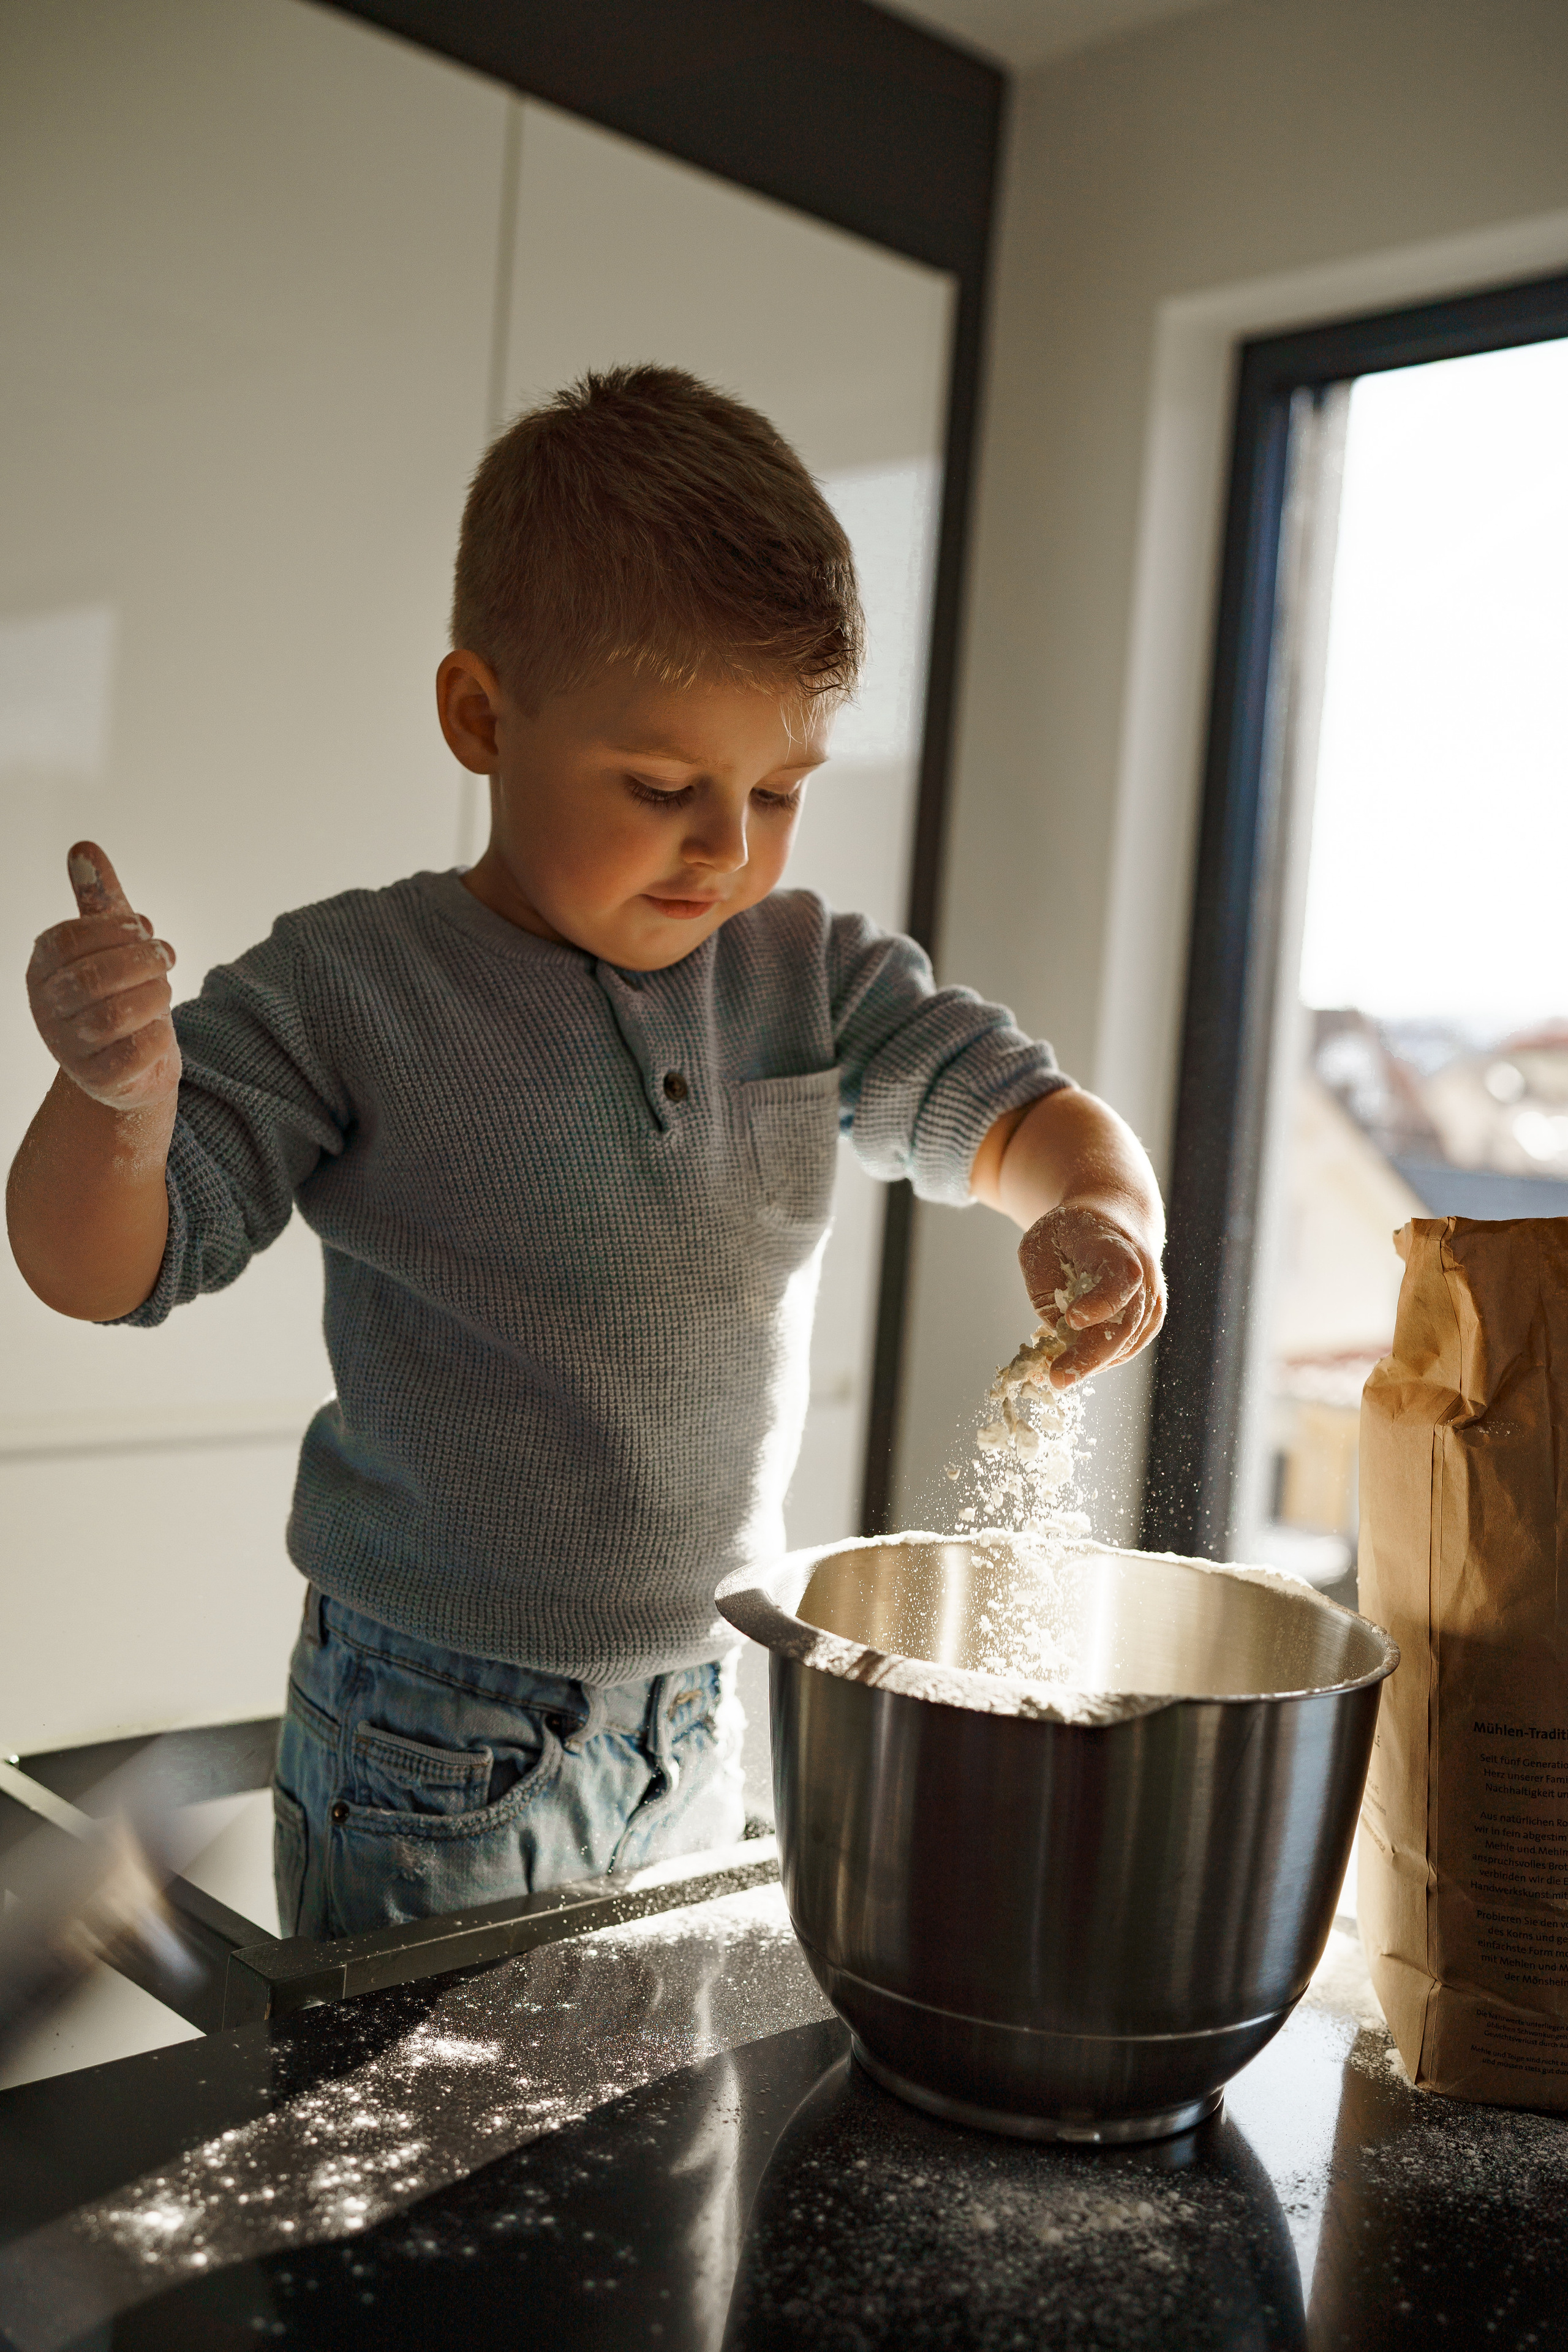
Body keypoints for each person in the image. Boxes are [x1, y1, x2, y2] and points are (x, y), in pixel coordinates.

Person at [8, 366, 1166, 1942]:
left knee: (636, 2150)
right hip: (432, 1729)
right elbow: (99, 1268)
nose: (726, 851)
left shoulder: (802, 973)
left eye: (774, 793)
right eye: (663, 788)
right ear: (482, 719)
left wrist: (1094, 1209)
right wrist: (117, 1100)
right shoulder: (353, 986)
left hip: (707, 1698)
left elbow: (1022, 1111)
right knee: (421, 2165)